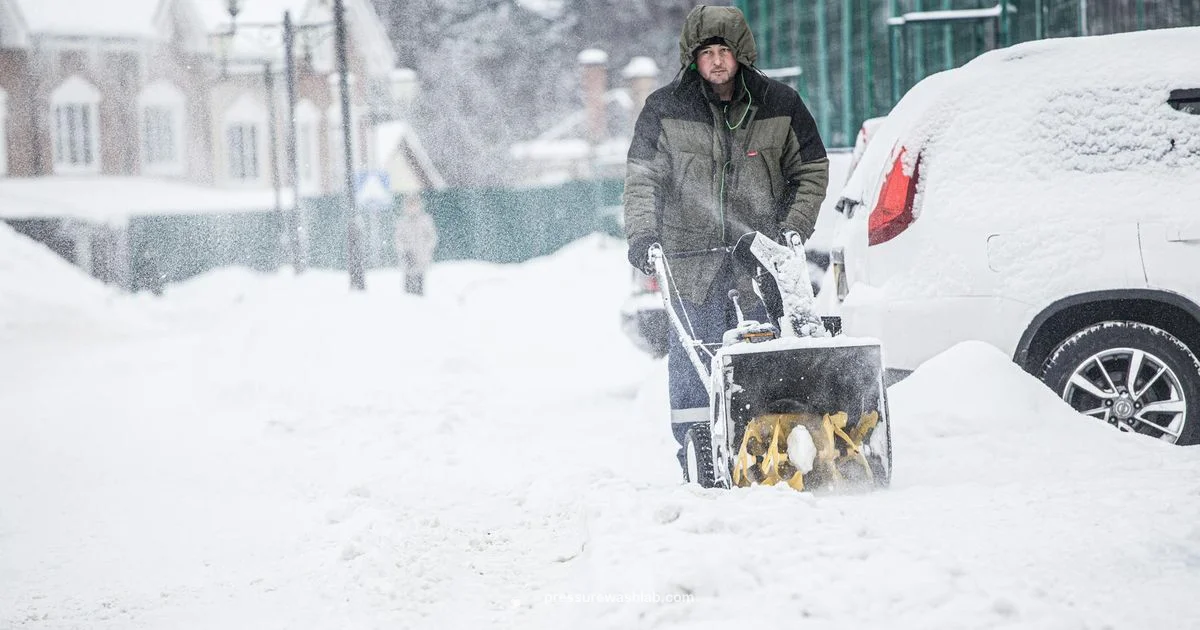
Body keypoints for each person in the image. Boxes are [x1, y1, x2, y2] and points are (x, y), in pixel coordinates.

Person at [622, 5, 830, 474]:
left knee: (767, 357)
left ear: (741, 55)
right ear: (691, 59)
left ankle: (772, 452)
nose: (716, 62)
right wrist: (643, 235)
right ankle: (699, 461)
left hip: (758, 259)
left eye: (725, 52)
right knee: (694, 362)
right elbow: (641, 180)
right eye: (707, 53)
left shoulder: (780, 104)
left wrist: (792, 228)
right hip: (689, 262)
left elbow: (811, 170)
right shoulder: (664, 108)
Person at [393, 194, 439, 295]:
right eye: (409, 204)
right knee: (408, 283)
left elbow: (432, 237)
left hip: (421, 258)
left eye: (414, 204)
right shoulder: (402, 222)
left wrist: (425, 250)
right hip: (408, 258)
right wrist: (405, 251)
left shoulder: (425, 220)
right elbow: (398, 239)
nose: (412, 207)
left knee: (419, 282)